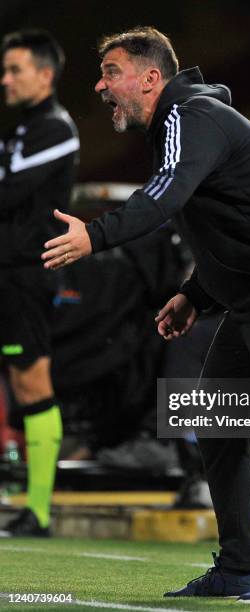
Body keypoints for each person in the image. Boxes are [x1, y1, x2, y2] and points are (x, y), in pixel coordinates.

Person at [42, 26, 250, 604]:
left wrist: (97, 234)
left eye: (111, 72)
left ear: (150, 77)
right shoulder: (179, 127)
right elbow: (231, 229)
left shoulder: (190, 117)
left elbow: (162, 199)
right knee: (213, 419)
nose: (100, 84)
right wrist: (195, 294)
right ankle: (238, 567)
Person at [0, 30, 79, 537]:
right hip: (8, 268)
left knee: (32, 381)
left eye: (15, 70)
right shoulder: (23, 130)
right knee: (20, 382)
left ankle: (40, 511)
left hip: (26, 271)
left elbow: (5, 193)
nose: (4, 80)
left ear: (45, 75)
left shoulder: (56, 129)